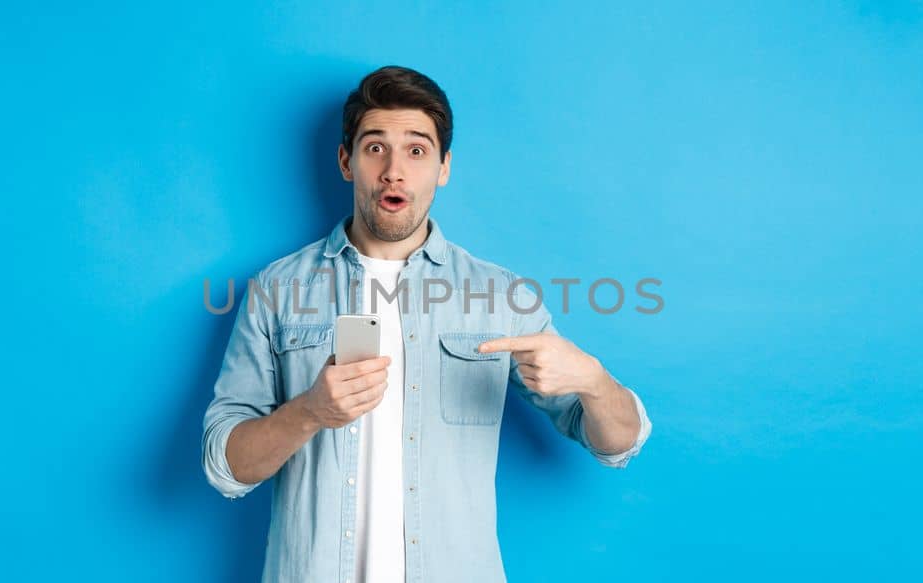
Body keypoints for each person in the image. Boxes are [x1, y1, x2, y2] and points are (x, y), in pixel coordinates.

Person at [201, 65, 652, 583]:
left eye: (416, 151)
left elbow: (619, 443)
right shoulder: (275, 291)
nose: (395, 170)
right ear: (346, 161)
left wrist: (593, 381)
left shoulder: (500, 297)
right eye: (375, 148)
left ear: (443, 167)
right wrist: (309, 411)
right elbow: (224, 466)